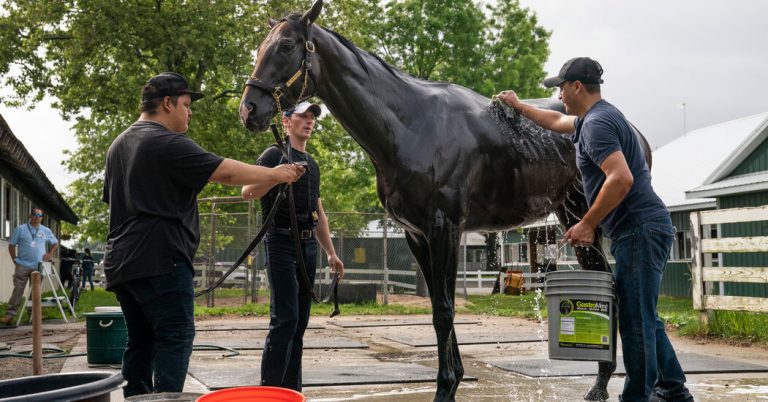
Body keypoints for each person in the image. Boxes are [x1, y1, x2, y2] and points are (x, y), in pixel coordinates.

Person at [498, 57, 693, 402]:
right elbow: (556, 119)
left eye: (560, 86)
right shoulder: (597, 117)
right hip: (642, 229)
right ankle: (674, 391)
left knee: (635, 323)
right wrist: (519, 106)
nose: (557, 93)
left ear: (576, 87)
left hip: (639, 229)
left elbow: (621, 178)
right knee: (644, 315)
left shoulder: (597, 126)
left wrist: (587, 223)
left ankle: (636, 397)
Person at [103, 72, 304, 398]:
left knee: (140, 341)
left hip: (122, 263)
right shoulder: (164, 141)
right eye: (185, 104)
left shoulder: (119, 145)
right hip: (160, 258)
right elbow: (223, 171)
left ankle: (137, 399)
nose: (190, 112)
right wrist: (276, 173)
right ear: (167, 103)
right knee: (175, 335)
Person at [242, 101, 344, 391]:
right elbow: (247, 192)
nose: (309, 121)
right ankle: (270, 391)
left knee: (299, 324)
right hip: (280, 242)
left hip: (308, 246)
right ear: (286, 122)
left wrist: (331, 253)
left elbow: (318, 212)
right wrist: (277, 174)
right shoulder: (274, 154)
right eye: (303, 116)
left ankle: (291, 391)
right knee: (284, 319)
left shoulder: (311, 164)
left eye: (312, 117)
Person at [0, 207, 59, 325]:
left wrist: (49, 254)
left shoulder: (46, 230)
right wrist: (14, 259)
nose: (37, 217)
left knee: (36, 291)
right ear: (30, 215)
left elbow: (55, 243)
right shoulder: (20, 229)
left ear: (42, 218)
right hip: (22, 265)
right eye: (35, 215)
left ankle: (34, 315)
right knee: (18, 289)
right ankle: (9, 315)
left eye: (39, 215)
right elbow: (11, 245)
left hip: (38, 265)